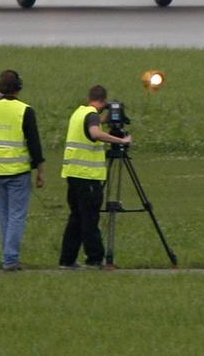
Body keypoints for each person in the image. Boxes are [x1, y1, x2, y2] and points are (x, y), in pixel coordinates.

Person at [58, 84, 131, 269]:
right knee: (90, 219)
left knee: (76, 217)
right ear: (104, 101)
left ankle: (67, 259)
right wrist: (122, 140)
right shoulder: (92, 116)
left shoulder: (79, 113)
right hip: (88, 177)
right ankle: (95, 258)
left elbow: (91, 127)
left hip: (73, 174)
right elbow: (94, 132)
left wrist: (105, 119)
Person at [0, 69, 45, 271]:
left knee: (4, 216)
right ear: (19, 88)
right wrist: (40, 170)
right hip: (18, 170)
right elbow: (34, 144)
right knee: (17, 216)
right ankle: (10, 260)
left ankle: (7, 256)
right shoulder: (25, 110)